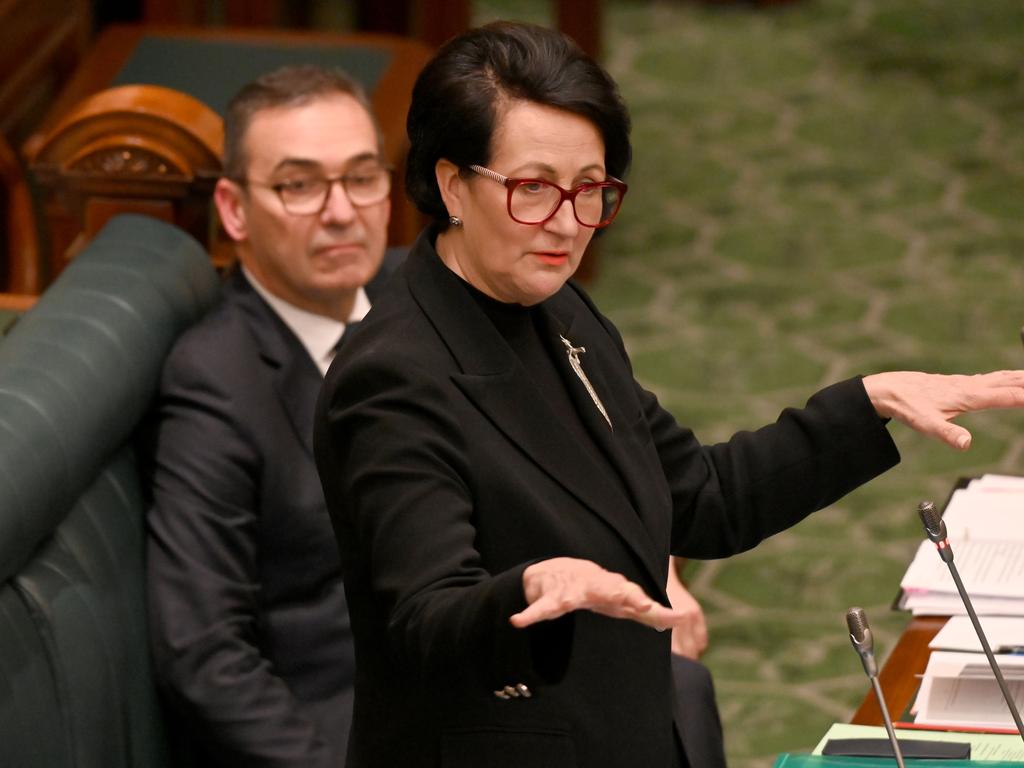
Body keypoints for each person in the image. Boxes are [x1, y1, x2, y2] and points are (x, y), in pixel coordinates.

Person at [313, 22, 1024, 768]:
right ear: (453, 183)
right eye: (533, 190)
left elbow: (697, 498)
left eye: (590, 191)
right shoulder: (393, 377)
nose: (566, 223)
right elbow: (427, 619)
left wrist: (865, 401)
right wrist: (531, 586)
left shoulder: (560, 310)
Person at [145, 64, 396, 767]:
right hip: (345, 725)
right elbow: (203, 652)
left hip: (485, 663)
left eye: (362, 176)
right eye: (300, 185)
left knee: (668, 687)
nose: (342, 211)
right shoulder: (216, 382)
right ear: (233, 210)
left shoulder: (428, 299)